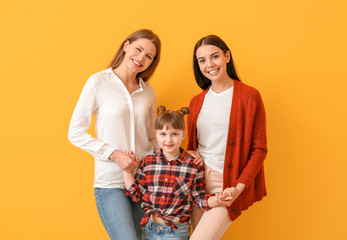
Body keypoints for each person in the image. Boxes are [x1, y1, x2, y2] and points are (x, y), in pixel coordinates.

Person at [68, 29, 161, 240]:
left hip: (145, 182)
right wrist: (114, 154)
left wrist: (178, 157)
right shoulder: (98, 82)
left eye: (149, 56)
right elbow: (75, 132)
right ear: (126, 45)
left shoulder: (149, 92)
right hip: (110, 183)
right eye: (138, 49)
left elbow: (152, 137)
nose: (141, 58)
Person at [188, 35, 268, 240]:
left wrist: (238, 188)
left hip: (226, 183)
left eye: (215, 57)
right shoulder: (197, 101)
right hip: (196, 181)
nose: (210, 64)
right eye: (202, 60)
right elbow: (192, 146)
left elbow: (259, 149)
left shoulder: (250, 96)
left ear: (227, 56)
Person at [122, 106, 234, 240]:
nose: (168, 140)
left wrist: (217, 199)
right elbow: (135, 195)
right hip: (150, 229)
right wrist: (127, 170)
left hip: (176, 232)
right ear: (156, 134)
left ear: (183, 134)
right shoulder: (148, 163)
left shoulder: (193, 165)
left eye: (174, 134)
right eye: (163, 134)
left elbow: (198, 198)